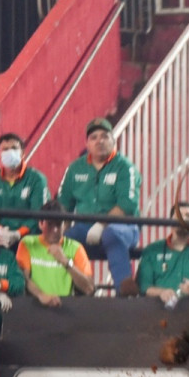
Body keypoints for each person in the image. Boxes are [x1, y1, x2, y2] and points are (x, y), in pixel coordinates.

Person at [58, 117, 142, 294]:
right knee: (63, 243)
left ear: (114, 140)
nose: (99, 141)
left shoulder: (126, 168)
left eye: (104, 136)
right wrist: (61, 231)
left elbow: (127, 204)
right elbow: (62, 205)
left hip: (124, 227)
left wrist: (102, 224)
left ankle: (125, 292)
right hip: (84, 228)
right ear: (87, 143)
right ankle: (77, 293)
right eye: (94, 137)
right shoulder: (74, 169)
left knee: (112, 234)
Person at [15, 198, 95, 306]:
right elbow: (23, 279)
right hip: (35, 305)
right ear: (40, 224)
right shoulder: (27, 243)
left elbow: (89, 289)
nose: (55, 230)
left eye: (58, 225)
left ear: (65, 225)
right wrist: (42, 295)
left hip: (65, 307)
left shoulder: (76, 247)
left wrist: (66, 262)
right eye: (50, 224)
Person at [0, 133, 51, 248]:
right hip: (0, 239)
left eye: (14, 148)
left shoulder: (37, 179)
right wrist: (0, 231)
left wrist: (18, 234)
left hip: (32, 239)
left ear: (23, 153)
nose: (10, 152)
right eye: (5, 149)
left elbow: (39, 214)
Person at [135, 201, 189, 308]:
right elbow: (143, 286)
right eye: (178, 216)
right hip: (157, 313)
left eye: (188, 216)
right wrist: (161, 292)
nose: (183, 219)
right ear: (170, 221)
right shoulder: (152, 250)